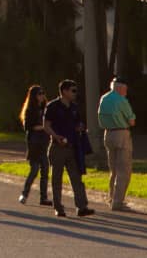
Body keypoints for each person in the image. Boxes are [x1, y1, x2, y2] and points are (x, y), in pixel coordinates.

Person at [44, 79, 95, 218]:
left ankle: (81, 207)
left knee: (76, 178)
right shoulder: (53, 106)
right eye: (72, 90)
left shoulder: (74, 107)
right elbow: (46, 125)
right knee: (57, 179)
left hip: (73, 147)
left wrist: (80, 127)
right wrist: (56, 136)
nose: (75, 93)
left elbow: (78, 123)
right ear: (64, 91)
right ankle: (58, 208)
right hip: (58, 147)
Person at [97, 76, 136, 211]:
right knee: (123, 170)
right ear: (120, 87)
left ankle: (111, 197)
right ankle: (118, 202)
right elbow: (131, 120)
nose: (126, 91)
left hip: (108, 134)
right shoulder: (121, 100)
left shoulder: (104, 98)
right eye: (125, 88)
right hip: (121, 134)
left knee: (113, 169)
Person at [19, 85, 52, 206]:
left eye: (43, 93)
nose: (42, 96)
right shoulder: (30, 110)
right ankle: (24, 193)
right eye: (39, 93)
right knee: (34, 170)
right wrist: (43, 127)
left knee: (45, 169)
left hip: (44, 142)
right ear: (34, 96)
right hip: (34, 142)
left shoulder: (45, 108)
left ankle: (43, 198)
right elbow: (28, 127)